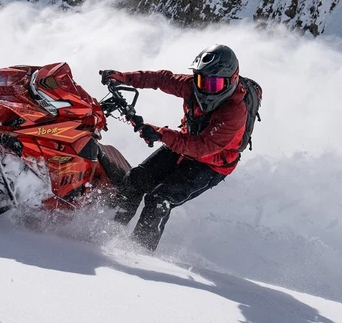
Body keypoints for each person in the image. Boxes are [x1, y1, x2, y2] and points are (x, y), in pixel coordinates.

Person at [100, 44, 248, 252]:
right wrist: (124, 78)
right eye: (201, 80)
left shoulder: (234, 112)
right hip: (185, 144)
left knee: (159, 199)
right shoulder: (192, 87)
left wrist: (161, 134)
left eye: (213, 84)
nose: (206, 88)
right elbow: (162, 79)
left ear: (232, 80)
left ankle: (138, 252)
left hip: (211, 164)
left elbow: (201, 147)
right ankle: (106, 232)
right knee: (136, 179)